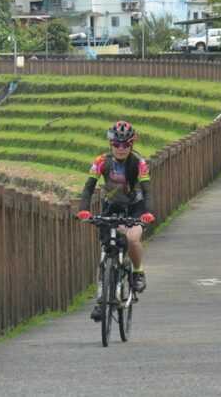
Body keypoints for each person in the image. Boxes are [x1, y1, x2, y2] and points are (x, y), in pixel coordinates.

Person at [76, 120, 155, 322]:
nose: (121, 149)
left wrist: (147, 212)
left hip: (135, 207)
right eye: (117, 145)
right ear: (111, 144)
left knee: (132, 238)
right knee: (106, 250)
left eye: (126, 145)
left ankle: (137, 272)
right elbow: (88, 188)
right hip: (111, 207)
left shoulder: (140, 163)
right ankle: (101, 300)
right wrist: (83, 209)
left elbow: (147, 192)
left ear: (132, 144)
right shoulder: (101, 161)